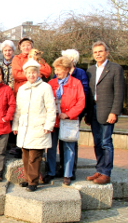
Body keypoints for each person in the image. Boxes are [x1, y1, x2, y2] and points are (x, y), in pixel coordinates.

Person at [12, 60, 56, 192]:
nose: (31, 75)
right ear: (25, 74)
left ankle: (33, 181)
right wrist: (15, 125)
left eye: (34, 72)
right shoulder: (22, 89)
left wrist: (49, 125)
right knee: (25, 155)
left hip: (39, 126)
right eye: (29, 73)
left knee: (35, 156)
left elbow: (51, 108)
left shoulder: (45, 88)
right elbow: (18, 109)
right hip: (25, 127)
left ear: (38, 73)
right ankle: (27, 178)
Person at [85, 41, 125, 185]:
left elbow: (119, 92)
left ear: (107, 52)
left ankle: (106, 173)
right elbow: (89, 93)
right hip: (94, 111)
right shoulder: (91, 70)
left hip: (107, 111)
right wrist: (87, 114)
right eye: (95, 52)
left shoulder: (115, 69)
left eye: (100, 51)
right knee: (97, 142)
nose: (98, 54)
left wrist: (114, 112)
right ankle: (99, 169)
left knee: (106, 142)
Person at [46, 57, 85, 186]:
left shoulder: (76, 83)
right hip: (54, 120)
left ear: (67, 69)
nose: (56, 72)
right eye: (55, 69)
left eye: (59, 69)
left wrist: (68, 114)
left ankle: (67, 174)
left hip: (68, 120)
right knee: (51, 148)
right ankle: (51, 172)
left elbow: (81, 102)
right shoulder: (51, 83)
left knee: (68, 147)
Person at [55, 49, 90, 179]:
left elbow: (82, 98)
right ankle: (62, 168)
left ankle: (69, 172)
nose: (57, 72)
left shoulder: (78, 77)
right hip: (58, 116)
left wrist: (70, 114)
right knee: (59, 142)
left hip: (71, 116)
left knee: (69, 143)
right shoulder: (55, 79)